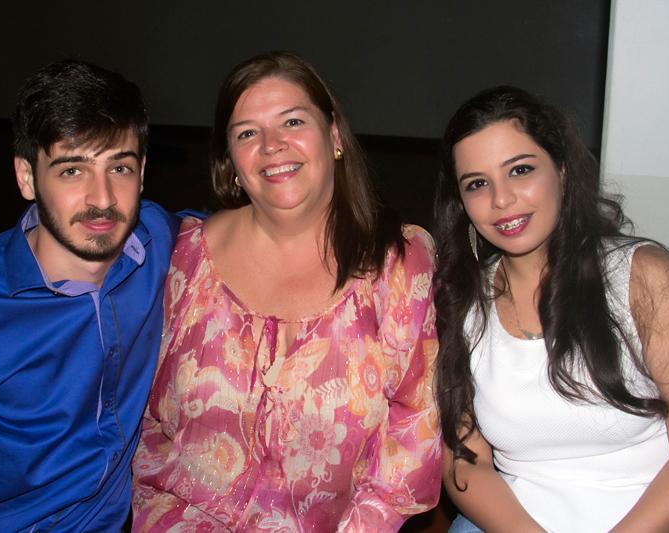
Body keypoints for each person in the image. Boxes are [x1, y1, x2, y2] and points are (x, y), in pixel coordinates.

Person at [132, 51, 441, 532]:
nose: (272, 145)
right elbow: (144, 422)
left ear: (334, 136)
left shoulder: (399, 262)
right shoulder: (183, 257)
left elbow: (412, 435)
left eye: (292, 121)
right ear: (230, 162)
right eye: (247, 133)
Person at [0, 59, 183, 532]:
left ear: (142, 173)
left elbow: (247, 232)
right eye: (73, 170)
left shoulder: (158, 239)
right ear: (27, 177)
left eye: (119, 167)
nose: (103, 199)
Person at [433, 86, 669, 532]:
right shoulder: (459, 302)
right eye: (477, 184)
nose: (501, 199)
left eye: (520, 170)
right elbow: (466, 463)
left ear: (560, 169)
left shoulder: (644, 277)